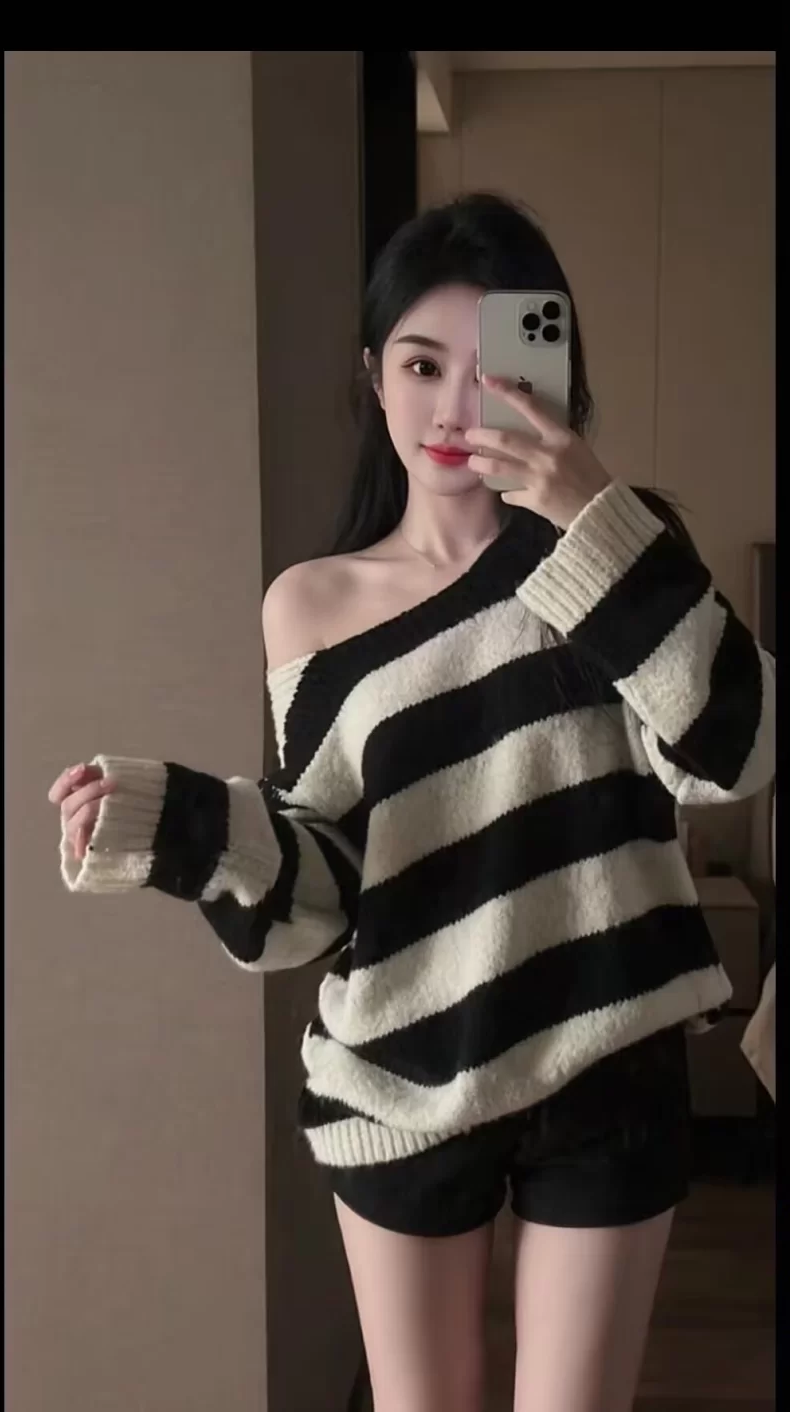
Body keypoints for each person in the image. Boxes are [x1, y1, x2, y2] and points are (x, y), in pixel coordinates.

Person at [49, 193, 775, 1412]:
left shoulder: (615, 548)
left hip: (603, 1051)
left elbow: (734, 752)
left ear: (550, 370)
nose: (450, 407)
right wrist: (172, 823)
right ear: (371, 377)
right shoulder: (309, 604)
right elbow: (328, 890)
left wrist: (589, 512)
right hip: (399, 1069)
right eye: (420, 364)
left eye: (488, 367)